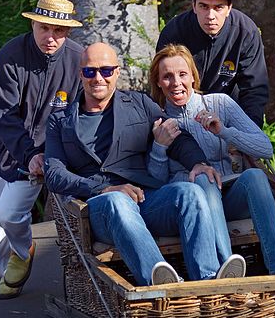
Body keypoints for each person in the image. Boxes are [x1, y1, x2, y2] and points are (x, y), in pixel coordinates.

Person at [45, 42, 247, 287]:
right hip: (99, 208)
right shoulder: (60, 120)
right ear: (80, 74)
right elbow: (54, 174)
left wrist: (198, 163)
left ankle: (209, 281)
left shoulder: (139, 104)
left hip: (145, 199)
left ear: (117, 73)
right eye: (90, 71)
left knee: (190, 192)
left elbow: (178, 136)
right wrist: (102, 189)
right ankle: (161, 285)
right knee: (117, 201)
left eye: (106, 70)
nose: (98, 78)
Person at [149, 43, 275, 275]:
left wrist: (223, 131)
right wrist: (159, 147)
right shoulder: (156, 118)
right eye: (167, 77)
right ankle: (229, 265)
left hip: (230, 197)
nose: (176, 83)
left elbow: (265, 148)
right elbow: (155, 181)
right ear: (158, 83)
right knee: (204, 178)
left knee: (254, 175)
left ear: (193, 77)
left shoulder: (219, 103)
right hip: (193, 206)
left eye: (182, 74)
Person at [0, 0, 84, 300]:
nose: (51, 37)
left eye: (59, 31)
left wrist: (50, 156)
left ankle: (23, 253)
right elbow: (4, 113)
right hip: (2, 148)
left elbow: (78, 115)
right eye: (44, 28)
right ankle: (11, 271)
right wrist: (27, 153)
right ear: (32, 23)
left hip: (44, 156)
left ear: (68, 32)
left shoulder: (79, 60)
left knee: (9, 214)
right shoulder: (11, 53)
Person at [156, 0, 268, 126]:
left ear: (229, 8)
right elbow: (161, 83)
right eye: (204, 6)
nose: (210, 16)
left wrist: (248, 133)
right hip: (181, 112)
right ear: (194, 6)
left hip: (229, 111)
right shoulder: (175, 31)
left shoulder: (245, 31)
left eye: (218, 8)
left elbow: (254, 89)